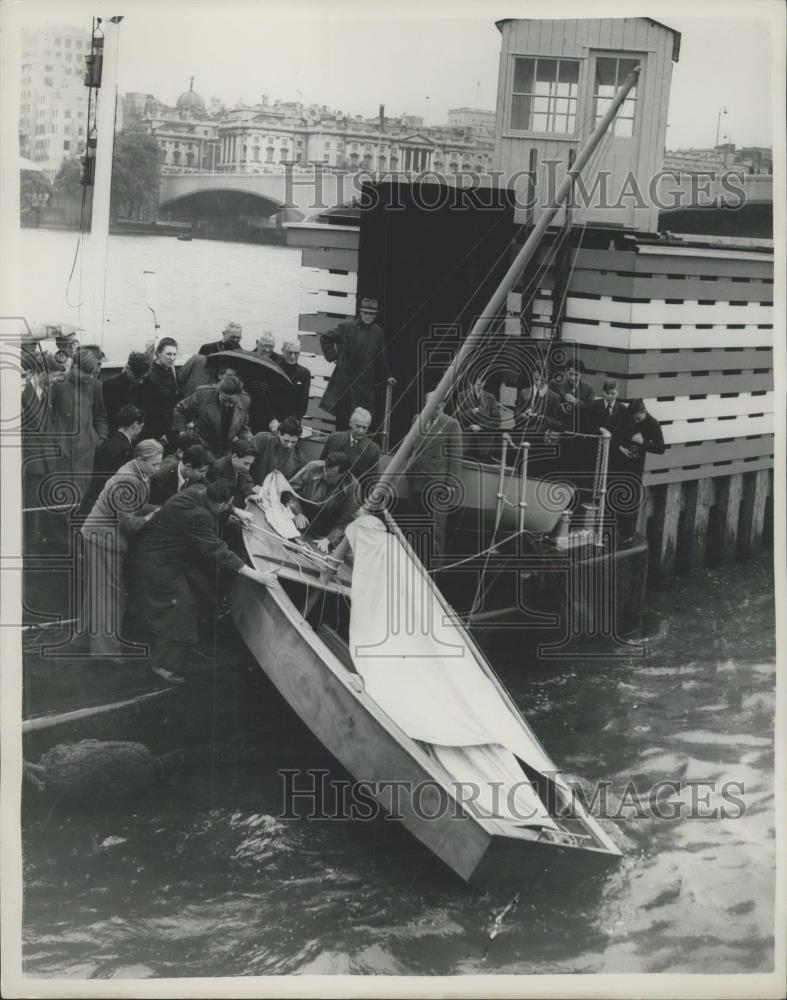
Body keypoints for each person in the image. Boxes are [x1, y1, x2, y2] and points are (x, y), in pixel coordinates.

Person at [128, 478, 275, 683]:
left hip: (160, 553)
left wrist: (234, 512)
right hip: (159, 565)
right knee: (182, 609)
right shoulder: (200, 516)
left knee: (205, 591)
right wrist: (256, 574)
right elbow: (217, 550)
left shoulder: (198, 490)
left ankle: (190, 643)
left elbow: (210, 510)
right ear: (222, 502)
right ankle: (161, 664)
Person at [80, 439, 163, 663]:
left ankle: (85, 637)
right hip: (102, 539)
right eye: (154, 464)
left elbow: (136, 505)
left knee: (98, 590)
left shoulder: (139, 472)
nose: (157, 469)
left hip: (100, 535)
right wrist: (153, 515)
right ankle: (105, 651)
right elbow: (129, 523)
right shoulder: (127, 479)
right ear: (140, 459)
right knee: (110, 594)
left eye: (159, 464)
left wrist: (159, 508)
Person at [44, 346, 108, 510]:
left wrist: (100, 438)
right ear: (75, 367)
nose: (89, 378)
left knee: (81, 496)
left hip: (86, 451)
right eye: (86, 374)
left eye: (92, 374)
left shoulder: (96, 385)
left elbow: (100, 414)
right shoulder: (57, 385)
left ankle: (75, 529)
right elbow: (47, 417)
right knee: (61, 498)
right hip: (62, 451)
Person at [319, 297, 395, 430]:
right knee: (343, 419)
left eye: (371, 314)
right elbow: (325, 338)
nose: (368, 316)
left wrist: (388, 375)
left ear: (375, 315)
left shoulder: (378, 332)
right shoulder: (347, 327)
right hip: (345, 382)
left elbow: (382, 357)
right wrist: (334, 357)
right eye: (365, 313)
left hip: (365, 384)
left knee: (362, 419)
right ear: (360, 313)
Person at [405, 392, 463, 559]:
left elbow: (455, 457)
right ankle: (411, 561)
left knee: (435, 530)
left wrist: (450, 484)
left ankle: (433, 569)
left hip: (436, 485)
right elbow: (409, 447)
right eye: (431, 406)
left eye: (437, 406)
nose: (434, 409)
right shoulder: (417, 420)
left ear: (442, 405)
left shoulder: (452, 425)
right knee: (414, 526)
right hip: (415, 481)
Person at [609, 398, 665, 546]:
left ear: (643, 411)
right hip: (619, 463)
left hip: (635, 467)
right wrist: (620, 447)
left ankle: (627, 534)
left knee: (631, 499)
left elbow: (661, 448)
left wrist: (643, 443)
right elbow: (615, 436)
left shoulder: (653, 424)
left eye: (637, 418)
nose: (635, 420)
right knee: (613, 494)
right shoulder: (628, 417)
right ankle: (612, 530)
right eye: (633, 418)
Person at [288, 452, 360, 552]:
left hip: (321, 534)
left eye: (330, 476)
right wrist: (298, 513)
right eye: (324, 471)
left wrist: (328, 539)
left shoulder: (353, 488)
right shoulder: (312, 467)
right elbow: (289, 491)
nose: (325, 477)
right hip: (295, 520)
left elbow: (346, 522)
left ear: (343, 474)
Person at [81, 404, 146, 514]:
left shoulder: (105, 444)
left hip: (89, 505)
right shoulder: (127, 451)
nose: (140, 431)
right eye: (141, 427)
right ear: (135, 425)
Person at [172, 373, 252, 457]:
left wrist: (248, 438)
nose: (227, 404)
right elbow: (180, 410)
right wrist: (183, 433)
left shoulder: (245, 400)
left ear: (239, 396)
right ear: (219, 391)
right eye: (224, 400)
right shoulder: (203, 395)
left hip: (226, 451)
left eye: (232, 402)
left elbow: (243, 426)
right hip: (202, 447)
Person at [320, 407, 381, 486]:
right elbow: (321, 463)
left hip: (351, 492)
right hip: (327, 486)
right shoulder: (334, 438)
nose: (361, 431)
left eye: (364, 428)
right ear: (350, 423)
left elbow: (372, 480)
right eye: (358, 426)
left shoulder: (373, 449)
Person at [139, 337, 182, 445]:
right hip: (157, 430)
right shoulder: (150, 375)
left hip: (171, 424)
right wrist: (158, 433)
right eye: (168, 354)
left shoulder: (171, 370)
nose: (172, 358)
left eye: (174, 354)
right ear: (158, 353)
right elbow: (148, 408)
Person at [452, 374, 501, 460]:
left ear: (484, 383)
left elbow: (497, 421)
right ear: (470, 384)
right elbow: (458, 418)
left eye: (479, 385)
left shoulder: (490, 397)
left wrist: (480, 427)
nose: (475, 387)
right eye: (473, 385)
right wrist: (472, 412)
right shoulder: (462, 396)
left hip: (483, 446)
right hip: (465, 443)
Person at [251, 416, 306, 485]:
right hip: (252, 488)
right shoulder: (262, 440)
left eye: (293, 442)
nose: (289, 445)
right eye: (286, 440)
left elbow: (294, 485)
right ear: (279, 433)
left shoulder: (299, 458)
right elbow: (244, 467)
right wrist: (250, 488)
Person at [102, 351, 150, 430]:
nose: (141, 381)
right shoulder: (110, 386)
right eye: (137, 378)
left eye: (143, 378)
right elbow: (110, 417)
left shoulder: (146, 383)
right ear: (128, 369)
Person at [208, 439, 257, 508]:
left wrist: (250, 494)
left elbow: (246, 482)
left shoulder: (240, 466)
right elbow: (219, 500)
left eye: (250, 464)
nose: (248, 468)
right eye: (246, 463)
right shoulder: (218, 469)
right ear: (234, 457)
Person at [514, 370, 563, 436]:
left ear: (547, 378)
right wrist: (522, 415)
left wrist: (542, 419)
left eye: (542, 380)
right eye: (536, 379)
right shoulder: (524, 393)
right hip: (522, 432)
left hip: (541, 434)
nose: (539, 383)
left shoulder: (554, 397)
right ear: (532, 377)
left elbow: (558, 422)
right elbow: (516, 414)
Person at [273, 339, 311, 421]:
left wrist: (292, 420)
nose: (293, 356)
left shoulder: (305, 373)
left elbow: (303, 404)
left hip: (292, 420)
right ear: (282, 351)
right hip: (273, 420)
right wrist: (272, 419)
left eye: (296, 353)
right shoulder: (273, 368)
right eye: (289, 353)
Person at [550, 362, 595, 431]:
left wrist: (577, 401)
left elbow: (591, 410)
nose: (573, 378)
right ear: (566, 371)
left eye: (576, 375)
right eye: (570, 374)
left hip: (578, 427)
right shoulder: (555, 384)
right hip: (558, 425)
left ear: (581, 374)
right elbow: (549, 406)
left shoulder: (588, 389)